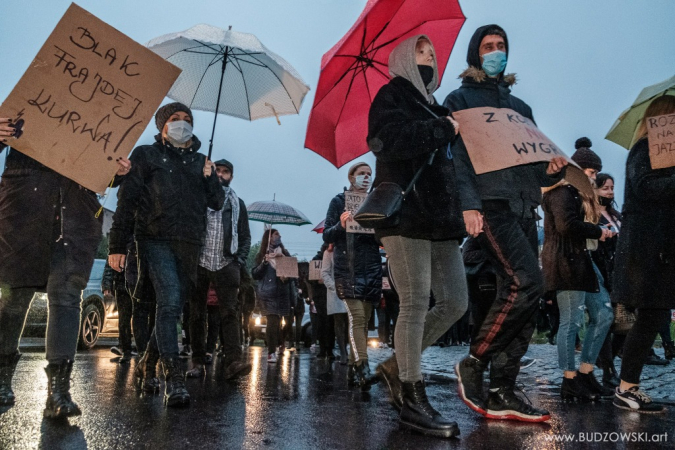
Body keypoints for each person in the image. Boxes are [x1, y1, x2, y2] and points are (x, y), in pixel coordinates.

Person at [443, 24, 567, 422]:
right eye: (488, 46)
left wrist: (550, 172)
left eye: (501, 46)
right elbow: (458, 159)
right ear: (474, 54)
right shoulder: (459, 99)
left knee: (530, 299)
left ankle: (503, 390)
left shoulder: (521, 109)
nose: (496, 51)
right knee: (524, 281)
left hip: (523, 207)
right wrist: (469, 205)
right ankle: (474, 362)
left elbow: (532, 170)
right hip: (490, 206)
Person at [366, 35, 466, 438]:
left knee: (456, 302)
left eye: (434, 54)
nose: (431, 59)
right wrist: (439, 129)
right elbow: (386, 144)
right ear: (405, 59)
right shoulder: (389, 98)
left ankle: (394, 366)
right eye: (423, 53)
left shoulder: (437, 107)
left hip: (441, 221)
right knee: (414, 302)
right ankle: (412, 395)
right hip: (404, 215)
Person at [0, 117, 130, 418]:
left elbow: (104, 177)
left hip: (76, 216)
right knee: (14, 298)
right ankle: (2, 380)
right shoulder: (35, 95)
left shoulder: (106, 114)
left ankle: (59, 392)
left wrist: (117, 173)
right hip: (24, 209)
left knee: (68, 297)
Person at [108, 102, 224, 408]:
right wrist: (117, 245)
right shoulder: (146, 155)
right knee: (170, 300)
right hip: (154, 239)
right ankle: (174, 378)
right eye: (175, 119)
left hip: (189, 242)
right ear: (162, 126)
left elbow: (216, 203)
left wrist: (211, 175)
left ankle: (147, 362)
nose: (182, 123)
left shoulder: (201, 160)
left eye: (187, 119)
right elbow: (127, 200)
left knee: (172, 307)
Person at [612, 95, 675, 414]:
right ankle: (626, 387)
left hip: (658, 251)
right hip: (646, 252)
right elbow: (647, 188)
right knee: (651, 316)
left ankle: (628, 385)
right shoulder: (644, 149)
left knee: (655, 316)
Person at [541, 139, 615, 401]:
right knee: (570, 322)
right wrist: (598, 231)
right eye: (592, 172)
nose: (594, 178)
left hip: (582, 261)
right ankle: (569, 379)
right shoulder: (561, 192)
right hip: (565, 262)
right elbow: (565, 226)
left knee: (604, 314)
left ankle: (585, 371)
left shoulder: (577, 194)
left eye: (595, 173)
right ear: (576, 170)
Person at [186, 158, 251, 381]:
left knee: (230, 313)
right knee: (196, 314)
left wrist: (239, 261)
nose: (222, 175)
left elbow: (245, 236)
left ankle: (234, 361)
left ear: (231, 176)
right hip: (199, 262)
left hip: (226, 263)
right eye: (218, 171)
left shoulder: (237, 203)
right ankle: (196, 360)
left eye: (226, 172)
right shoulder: (198, 197)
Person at [322, 162, 382, 391]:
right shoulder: (338, 201)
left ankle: (353, 371)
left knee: (365, 320)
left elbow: (383, 238)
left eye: (369, 174)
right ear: (351, 177)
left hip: (372, 267)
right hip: (347, 268)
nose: (366, 177)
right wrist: (341, 224)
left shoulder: (375, 201)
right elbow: (327, 233)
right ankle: (363, 367)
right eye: (361, 174)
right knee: (357, 316)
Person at [591, 172, 624, 387]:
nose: (610, 192)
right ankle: (607, 366)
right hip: (602, 271)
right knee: (606, 318)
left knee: (625, 322)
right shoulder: (592, 217)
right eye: (605, 188)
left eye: (612, 187)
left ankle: (607, 360)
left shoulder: (617, 215)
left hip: (620, 273)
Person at [251, 229, 295, 364]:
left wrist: (286, 277)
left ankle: (278, 344)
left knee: (280, 322)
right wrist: (265, 262)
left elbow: (292, 276)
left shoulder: (285, 254)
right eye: (276, 234)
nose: (279, 236)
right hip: (268, 293)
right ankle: (271, 352)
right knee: (272, 321)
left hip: (282, 293)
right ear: (269, 238)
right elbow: (255, 274)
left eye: (280, 235)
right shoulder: (262, 255)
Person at [102, 259, 135, 363]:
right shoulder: (118, 244)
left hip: (136, 283)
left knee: (138, 317)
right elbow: (110, 264)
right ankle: (125, 348)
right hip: (122, 284)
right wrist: (106, 285)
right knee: (124, 318)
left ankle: (138, 348)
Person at [321, 244, 350, 365]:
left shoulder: (352, 248)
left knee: (351, 322)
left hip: (351, 290)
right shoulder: (329, 252)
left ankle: (350, 350)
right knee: (339, 323)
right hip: (336, 292)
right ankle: (343, 352)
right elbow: (325, 272)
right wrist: (333, 287)